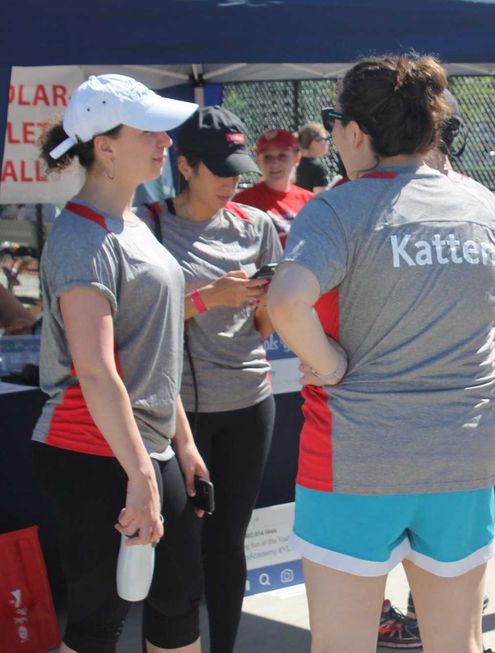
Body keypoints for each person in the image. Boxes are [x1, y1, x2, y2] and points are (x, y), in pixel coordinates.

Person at [266, 54, 495, 653]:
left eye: (334, 122)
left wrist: (328, 363)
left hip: (352, 460)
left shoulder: (337, 208)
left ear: (357, 132)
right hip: (460, 458)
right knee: (456, 642)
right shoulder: (481, 205)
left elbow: (285, 303)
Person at [32, 74, 206, 653]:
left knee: (178, 610)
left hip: (145, 451)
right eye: (148, 131)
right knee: (98, 623)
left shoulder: (133, 224)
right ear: (104, 146)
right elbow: (98, 372)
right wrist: (139, 478)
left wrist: (182, 446)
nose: (165, 143)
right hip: (92, 451)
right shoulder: (80, 237)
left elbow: (149, 353)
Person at [136, 106, 283, 653]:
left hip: (250, 400)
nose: (232, 181)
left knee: (228, 542)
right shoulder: (148, 224)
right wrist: (208, 298)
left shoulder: (258, 225)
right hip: (178, 411)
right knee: (176, 544)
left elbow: (265, 327)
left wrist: (271, 303)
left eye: (238, 168)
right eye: (220, 168)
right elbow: (140, 322)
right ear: (186, 165)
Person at [233, 128, 313, 245]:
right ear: (258, 160)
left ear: (296, 158)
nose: (275, 163)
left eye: (282, 156)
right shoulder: (243, 202)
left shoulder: (310, 200)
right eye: (267, 157)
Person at [296, 122, 333, 193]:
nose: (327, 142)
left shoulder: (293, 164)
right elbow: (320, 198)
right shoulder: (318, 169)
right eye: (325, 139)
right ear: (313, 142)